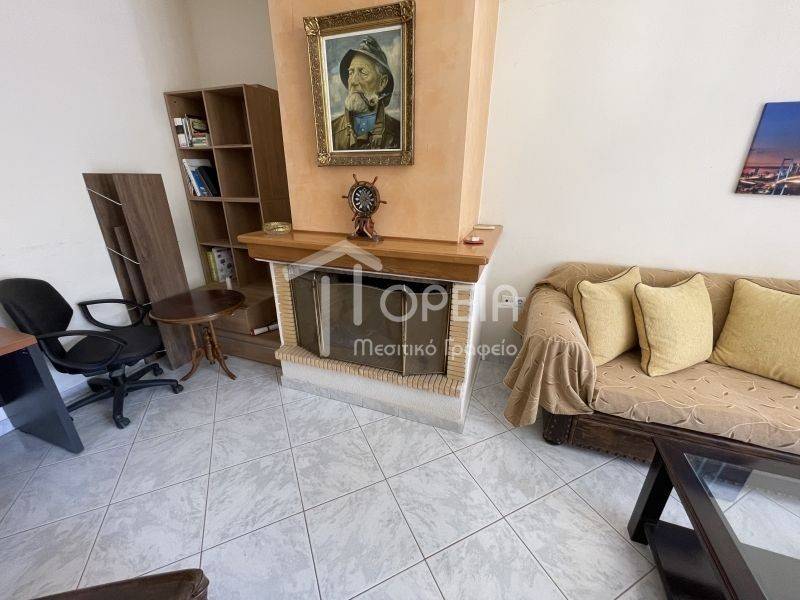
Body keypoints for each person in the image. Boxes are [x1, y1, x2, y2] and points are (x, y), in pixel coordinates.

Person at [331, 35, 401, 150]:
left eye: (363, 72)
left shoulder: (398, 132)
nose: (353, 81)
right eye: (351, 73)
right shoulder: (332, 131)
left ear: (382, 82)